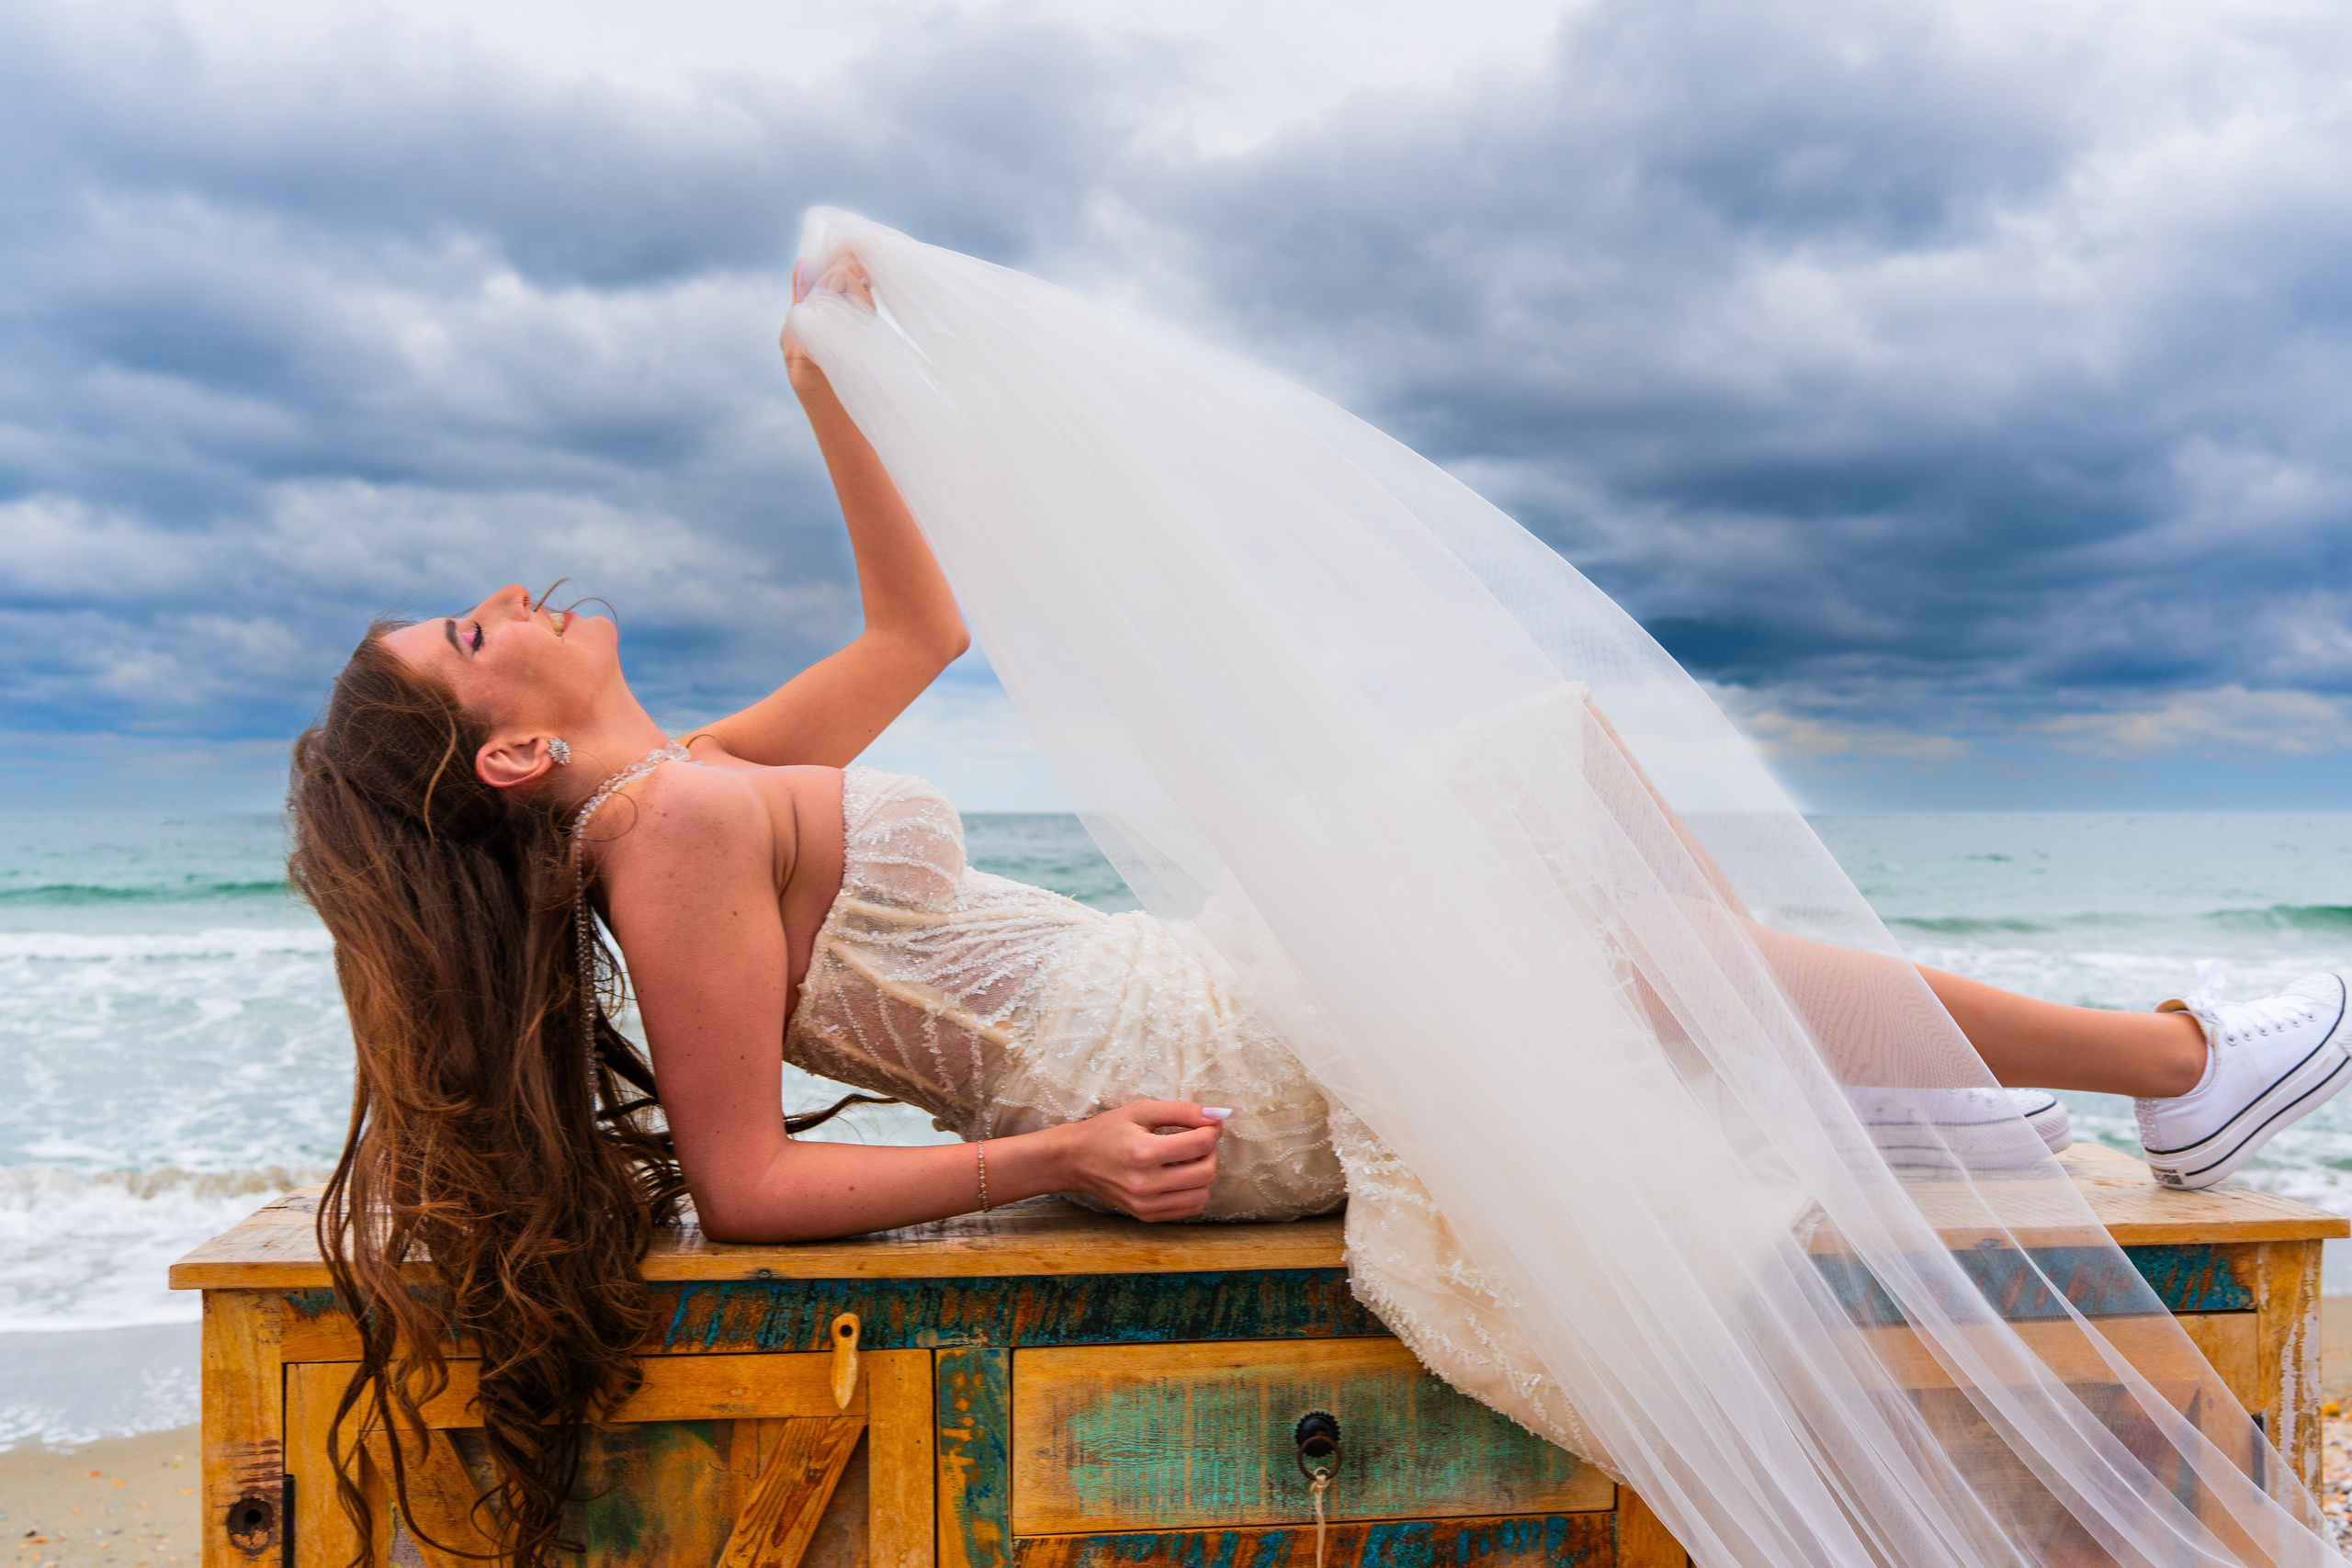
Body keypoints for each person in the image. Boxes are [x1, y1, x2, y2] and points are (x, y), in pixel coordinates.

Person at [290, 221, 2348, 1567]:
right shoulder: (657, 833)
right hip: (1170, 1067)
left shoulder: (696, 778)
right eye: (464, 641)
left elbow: (920, 620)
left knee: (1545, 782)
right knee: (1605, 936)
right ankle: (2155, 1069)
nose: (501, 601)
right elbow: (739, 1178)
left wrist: (828, 374)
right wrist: (1058, 1151)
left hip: (1178, 983)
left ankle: (1973, 1079)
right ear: (509, 756)